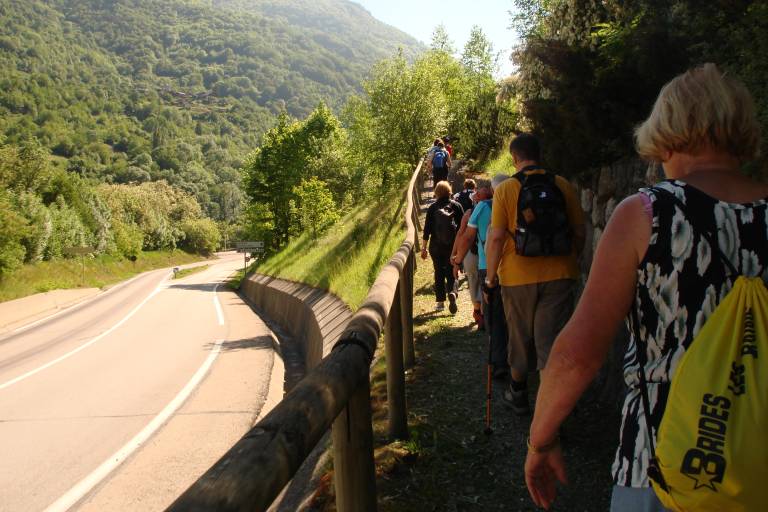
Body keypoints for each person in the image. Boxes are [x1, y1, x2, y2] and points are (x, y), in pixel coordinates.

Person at [524, 63, 768, 511]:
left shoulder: (647, 215)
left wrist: (540, 440)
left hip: (662, 464)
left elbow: (577, 355)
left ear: (667, 131)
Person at [484, 133, 585, 415]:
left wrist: (491, 278)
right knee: (550, 342)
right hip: (560, 274)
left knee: (520, 337)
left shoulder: (505, 190)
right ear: (540, 154)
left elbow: (495, 238)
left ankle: (518, 394)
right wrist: (569, 261)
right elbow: (579, 231)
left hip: (517, 277)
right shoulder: (563, 185)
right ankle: (551, 411)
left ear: (515, 158)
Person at [453, 174, 511, 377]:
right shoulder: (515, 202)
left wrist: (458, 258)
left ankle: (499, 362)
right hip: (514, 268)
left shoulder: (484, 207)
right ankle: (518, 363)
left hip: (488, 266)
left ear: (493, 190)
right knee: (512, 316)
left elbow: (468, 236)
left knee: (494, 316)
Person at [450, 182, 490, 329]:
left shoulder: (469, 213)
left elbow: (461, 235)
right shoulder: (496, 208)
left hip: (471, 253)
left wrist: (455, 255)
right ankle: (486, 314)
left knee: (473, 281)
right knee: (487, 283)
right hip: (491, 254)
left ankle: (477, 311)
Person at [422, 180, 464, 312]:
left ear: (436, 192)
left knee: (438, 272)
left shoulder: (433, 208)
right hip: (453, 246)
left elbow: (427, 230)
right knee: (452, 271)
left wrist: (423, 248)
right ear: (449, 191)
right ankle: (452, 292)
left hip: (436, 246)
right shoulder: (456, 206)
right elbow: (463, 229)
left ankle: (440, 302)